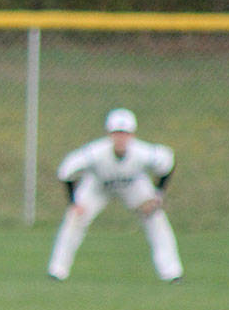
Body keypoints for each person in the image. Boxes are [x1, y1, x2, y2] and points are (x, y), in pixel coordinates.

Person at [47, 108, 182, 282]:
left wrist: (157, 196)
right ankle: (57, 271)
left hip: (133, 184)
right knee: (74, 219)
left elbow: (168, 162)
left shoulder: (143, 152)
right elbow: (66, 171)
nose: (121, 138)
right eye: (117, 133)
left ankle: (172, 273)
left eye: (125, 134)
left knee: (156, 219)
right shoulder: (95, 152)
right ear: (109, 135)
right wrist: (73, 202)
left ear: (132, 135)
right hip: (97, 185)